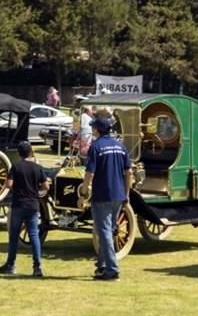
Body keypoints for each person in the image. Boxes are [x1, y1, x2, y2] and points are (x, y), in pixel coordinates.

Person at [83, 115, 132, 281]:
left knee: (103, 232)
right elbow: (128, 173)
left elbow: (90, 172)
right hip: (118, 195)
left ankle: (112, 269)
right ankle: (102, 266)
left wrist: (84, 190)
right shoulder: (120, 146)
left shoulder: (96, 147)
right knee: (108, 231)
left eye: (93, 127)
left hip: (102, 194)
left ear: (97, 130)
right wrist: (126, 194)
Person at [0, 141, 49, 277]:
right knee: (34, 235)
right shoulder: (38, 168)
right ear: (31, 152)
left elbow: (8, 184)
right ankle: (37, 267)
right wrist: (36, 189)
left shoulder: (16, 167)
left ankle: (10, 265)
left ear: (19, 153)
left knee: (13, 236)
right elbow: (46, 186)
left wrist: (18, 188)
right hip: (33, 204)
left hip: (18, 203)